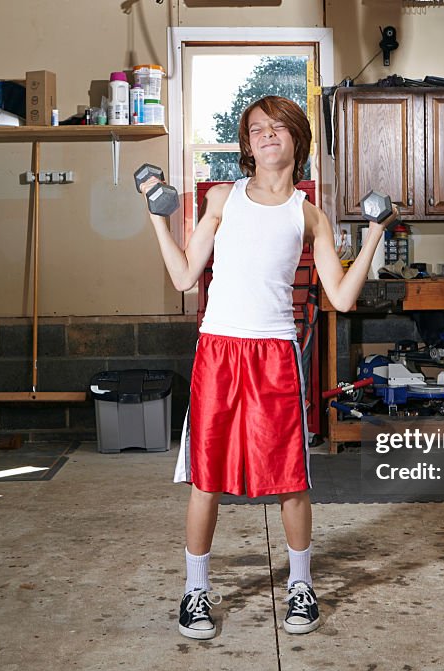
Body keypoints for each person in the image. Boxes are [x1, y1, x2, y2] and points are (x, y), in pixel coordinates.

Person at [139, 95, 397, 640]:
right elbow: (186, 277)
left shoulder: (309, 215)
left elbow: (344, 297)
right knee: (206, 479)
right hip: (218, 350)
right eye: (257, 129)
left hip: (275, 353)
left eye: (279, 128)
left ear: (297, 141)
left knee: (290, 479)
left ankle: (301, 588)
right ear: (246, 143)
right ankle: (195, 592)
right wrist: (158, 220)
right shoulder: (220, 198)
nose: (267, 135)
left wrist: (375, 232)